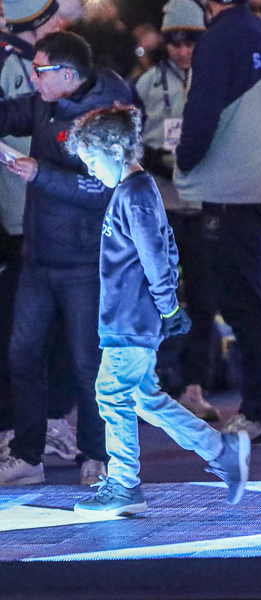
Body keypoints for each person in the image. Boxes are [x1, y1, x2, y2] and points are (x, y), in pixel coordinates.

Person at [66, 105, 249, 516]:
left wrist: (168, 308)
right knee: (144, 398)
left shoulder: (135, 194)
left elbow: (155, 255)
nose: (92, 170)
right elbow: (159, 252)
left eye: (93, 160)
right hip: (129, 317)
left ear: (115, 150)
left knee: (112, 395)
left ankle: (125, 484)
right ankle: (221, 451)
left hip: (130, 320)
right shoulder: (135, 192)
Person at [0, 32, 132, 486]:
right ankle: (26, 455)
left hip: (86, 262)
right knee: (22, 354)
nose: (32, 78)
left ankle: (97, 457)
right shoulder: (45, 99)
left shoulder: (109, 113)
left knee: (87, 363)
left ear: (68, 75)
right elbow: (12, 111)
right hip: (39, 256)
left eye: (39, 70)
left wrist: (40, 173)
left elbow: (103, 188)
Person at [175, 0, 261, 445]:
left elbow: (201, 112)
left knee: (243, 302)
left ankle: (256, 413)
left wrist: (185, 161)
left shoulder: (218, 38)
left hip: (231, 186)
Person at [0, 0, 80, 466]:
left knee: (35, 331)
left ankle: (37, 426)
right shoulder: (17, 67)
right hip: (23, 219)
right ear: (37, 24)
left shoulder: (39, 64)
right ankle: (31, 426)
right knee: (30, 331)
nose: (61, 24)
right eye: (53, 18)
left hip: (35, 216)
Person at [133, 0, 220, 423]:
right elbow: (129, 141)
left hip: (203, 203)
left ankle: (194, 387)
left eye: (191, 41)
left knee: (203, 301)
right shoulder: (146, 82)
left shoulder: (216, 77)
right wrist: (153, 158)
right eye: (174, 41)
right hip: (162, 207)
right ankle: (152, 382)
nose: (183, 49)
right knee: (156, 298)